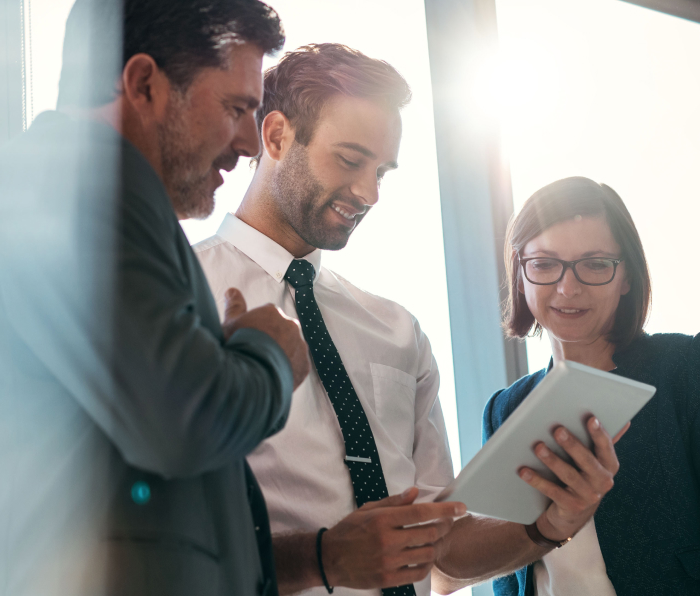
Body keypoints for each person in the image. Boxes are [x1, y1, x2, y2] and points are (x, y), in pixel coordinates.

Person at [0, 2, 309, 596]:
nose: (250, 143)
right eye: (236, 108)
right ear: (144, 84)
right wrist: (266, 354)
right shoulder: (68, 185)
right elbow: (181, 416)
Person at [193, 44, 620, 596]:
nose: (369, 193)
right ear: (275, 136)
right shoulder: (180, 298)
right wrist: (324, 559)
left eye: (381, 171)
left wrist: (547, 527)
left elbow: (444, 546)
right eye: (350, 160)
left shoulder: (396, 330)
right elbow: (157, 534)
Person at [449, 176, 700, 595]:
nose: (567, 287)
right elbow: (510, 573)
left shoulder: (693, 368)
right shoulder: (505, 409)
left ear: (626, 275)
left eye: (594, 264)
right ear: (519, 274)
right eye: (544, 264)